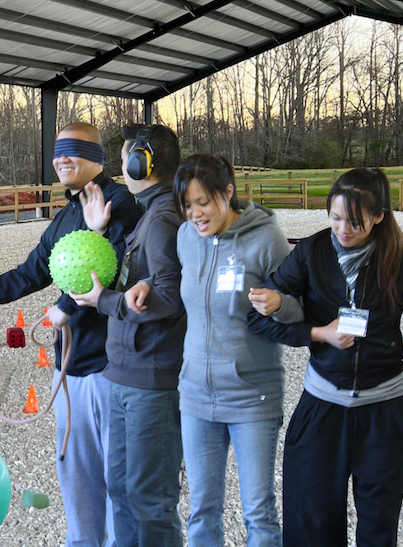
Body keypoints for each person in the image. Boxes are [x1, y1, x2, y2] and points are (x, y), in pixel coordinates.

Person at [0, 122, 141, 547]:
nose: (61, 157)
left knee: (119, 479)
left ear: (97, 157)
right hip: (72, 367)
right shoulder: (65, 215)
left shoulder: (119, 203)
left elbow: (114, 267)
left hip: (112, 366)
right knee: (77, 474)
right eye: (58, 150)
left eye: (74, 150)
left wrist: (64, 308)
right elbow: (27, 275)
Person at [247, 167, 403, 547]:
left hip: (384, 412)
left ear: (380, 216)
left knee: (378, 527)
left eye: (355, 222)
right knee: (311, 522)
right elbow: (256, 320)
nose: (343, 229)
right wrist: (314, 331)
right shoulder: (310, 252)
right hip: (322, 408)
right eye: (336, 217)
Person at [131, 153, 302, 546]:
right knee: (202, 511)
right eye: (187, 205)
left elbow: (301, 309)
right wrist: (146, 288)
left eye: (203, 202)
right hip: (195, 396)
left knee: (259, 511)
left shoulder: (265, 239)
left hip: (252, 398)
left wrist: (281, 305)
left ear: (228, 193)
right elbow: (175, 291)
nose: (195, 214)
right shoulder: (186, 238)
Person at [68, 123, 186, 547]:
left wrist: (105, 302)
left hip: (149, 379)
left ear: (141, 162)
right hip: (125, 373)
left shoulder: (161, 220)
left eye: (124, 161)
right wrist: (96, 233)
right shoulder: (151, 214)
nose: (121, 169)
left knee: (150, 500)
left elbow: (170, 296)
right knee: (121, 488)